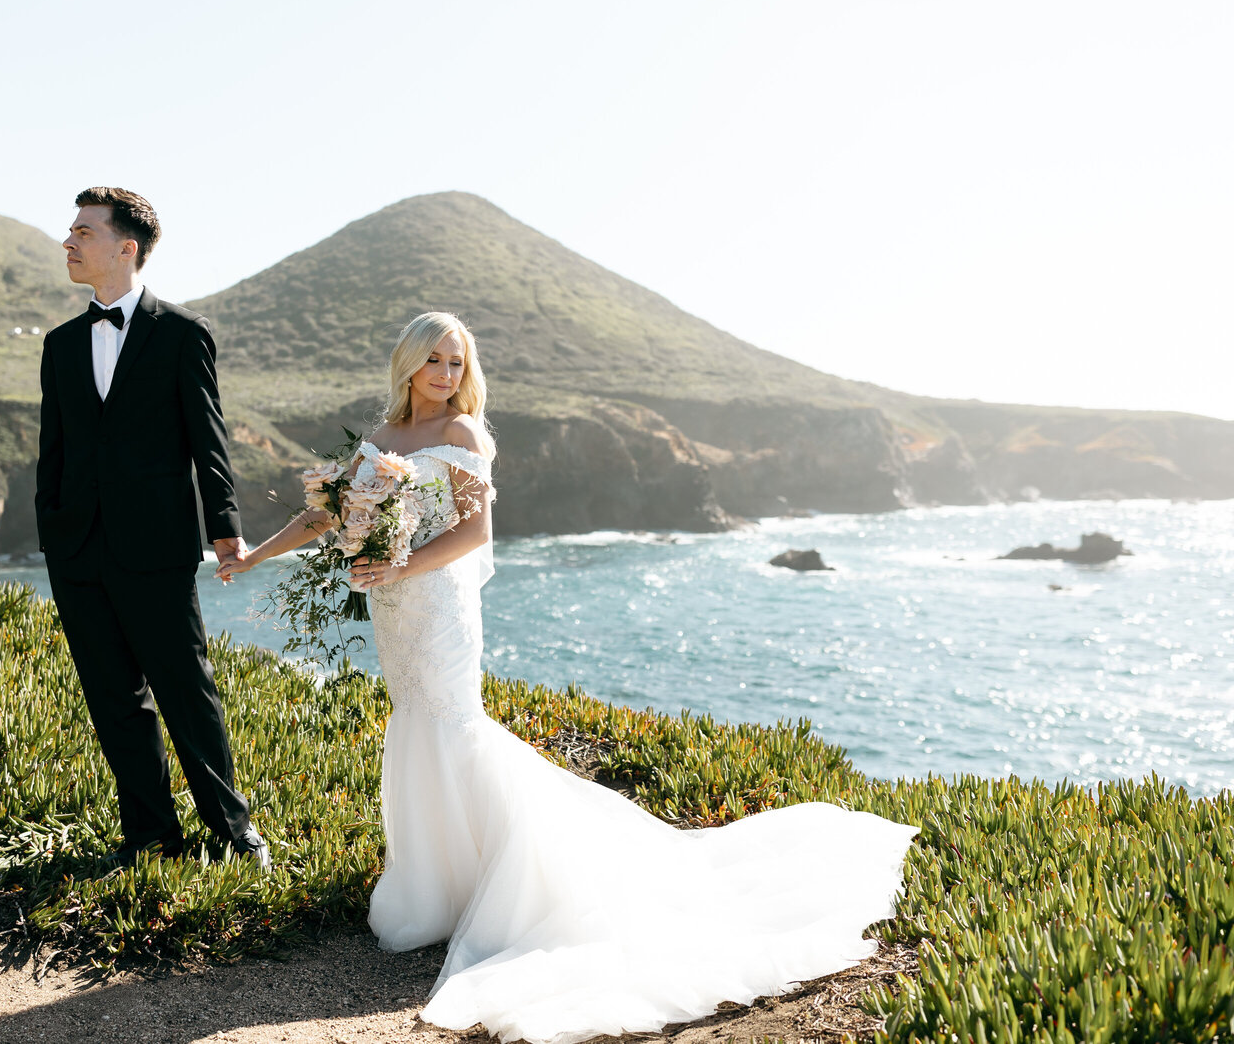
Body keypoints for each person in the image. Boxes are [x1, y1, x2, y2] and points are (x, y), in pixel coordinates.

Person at [227, 311, 919, 1042]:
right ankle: (440, 887)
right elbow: (324, 517)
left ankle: (509, 888)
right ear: (406, 364)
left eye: (457, 362)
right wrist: (252, 554)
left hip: (437, 602)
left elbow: (474, 532)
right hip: (395, 608)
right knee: (416, 722)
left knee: (455, 723)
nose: (446, 373)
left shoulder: (463, 436)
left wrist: (398, 564)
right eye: (434, 359)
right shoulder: (382, 442)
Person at [35, 186, 268, 871]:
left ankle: (234, 833)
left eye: (83, 230)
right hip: (77, 551)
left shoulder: (182, 335)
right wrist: (52, 531)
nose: (69, 241)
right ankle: (150, 839)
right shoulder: (60, 345)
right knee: (114, 700)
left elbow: (209, 441)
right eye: (70, 230)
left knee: (186, 694)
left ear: (125, 246)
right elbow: (55, 451)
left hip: (157, 548)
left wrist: (225, 528)